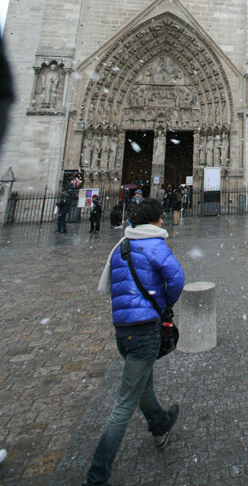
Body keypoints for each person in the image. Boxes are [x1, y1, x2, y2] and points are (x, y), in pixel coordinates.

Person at [83, 198, 185, 485]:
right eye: (160, 218)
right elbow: (176, 280)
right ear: (152, 221)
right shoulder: (154, 246)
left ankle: (160, 422)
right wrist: (164, 307)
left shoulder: (120, 248)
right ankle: (97, 475)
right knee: (124, 403)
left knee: (140, 382)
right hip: (144, 329)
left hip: (123, 330)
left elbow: (110, 287)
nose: (163, 222)